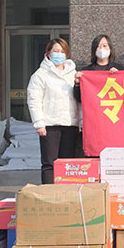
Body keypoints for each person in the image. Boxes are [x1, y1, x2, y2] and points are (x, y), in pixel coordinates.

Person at [26, 38, 79, 184]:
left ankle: (65, 193)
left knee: (67, 164)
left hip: (70, 124)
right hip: (49, 125)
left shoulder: (73, 74)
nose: (59, 54)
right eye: (55, 51)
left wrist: (80, 122)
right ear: (48, 53)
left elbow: (79, 100)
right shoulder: (40, 75)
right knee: (49, 163)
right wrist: (39, 123)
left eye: (62, 51)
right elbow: (34, 100)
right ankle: (48, 192)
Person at [73, 34, 124, 103]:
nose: (102, 49)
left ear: (110, 48)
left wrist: (119, 77)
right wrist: (77, 83)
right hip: (94, 108)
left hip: (113, 107)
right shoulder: (86, 71)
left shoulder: (119, 69)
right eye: (98, 46)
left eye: (105, 46)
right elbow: (79, 98)